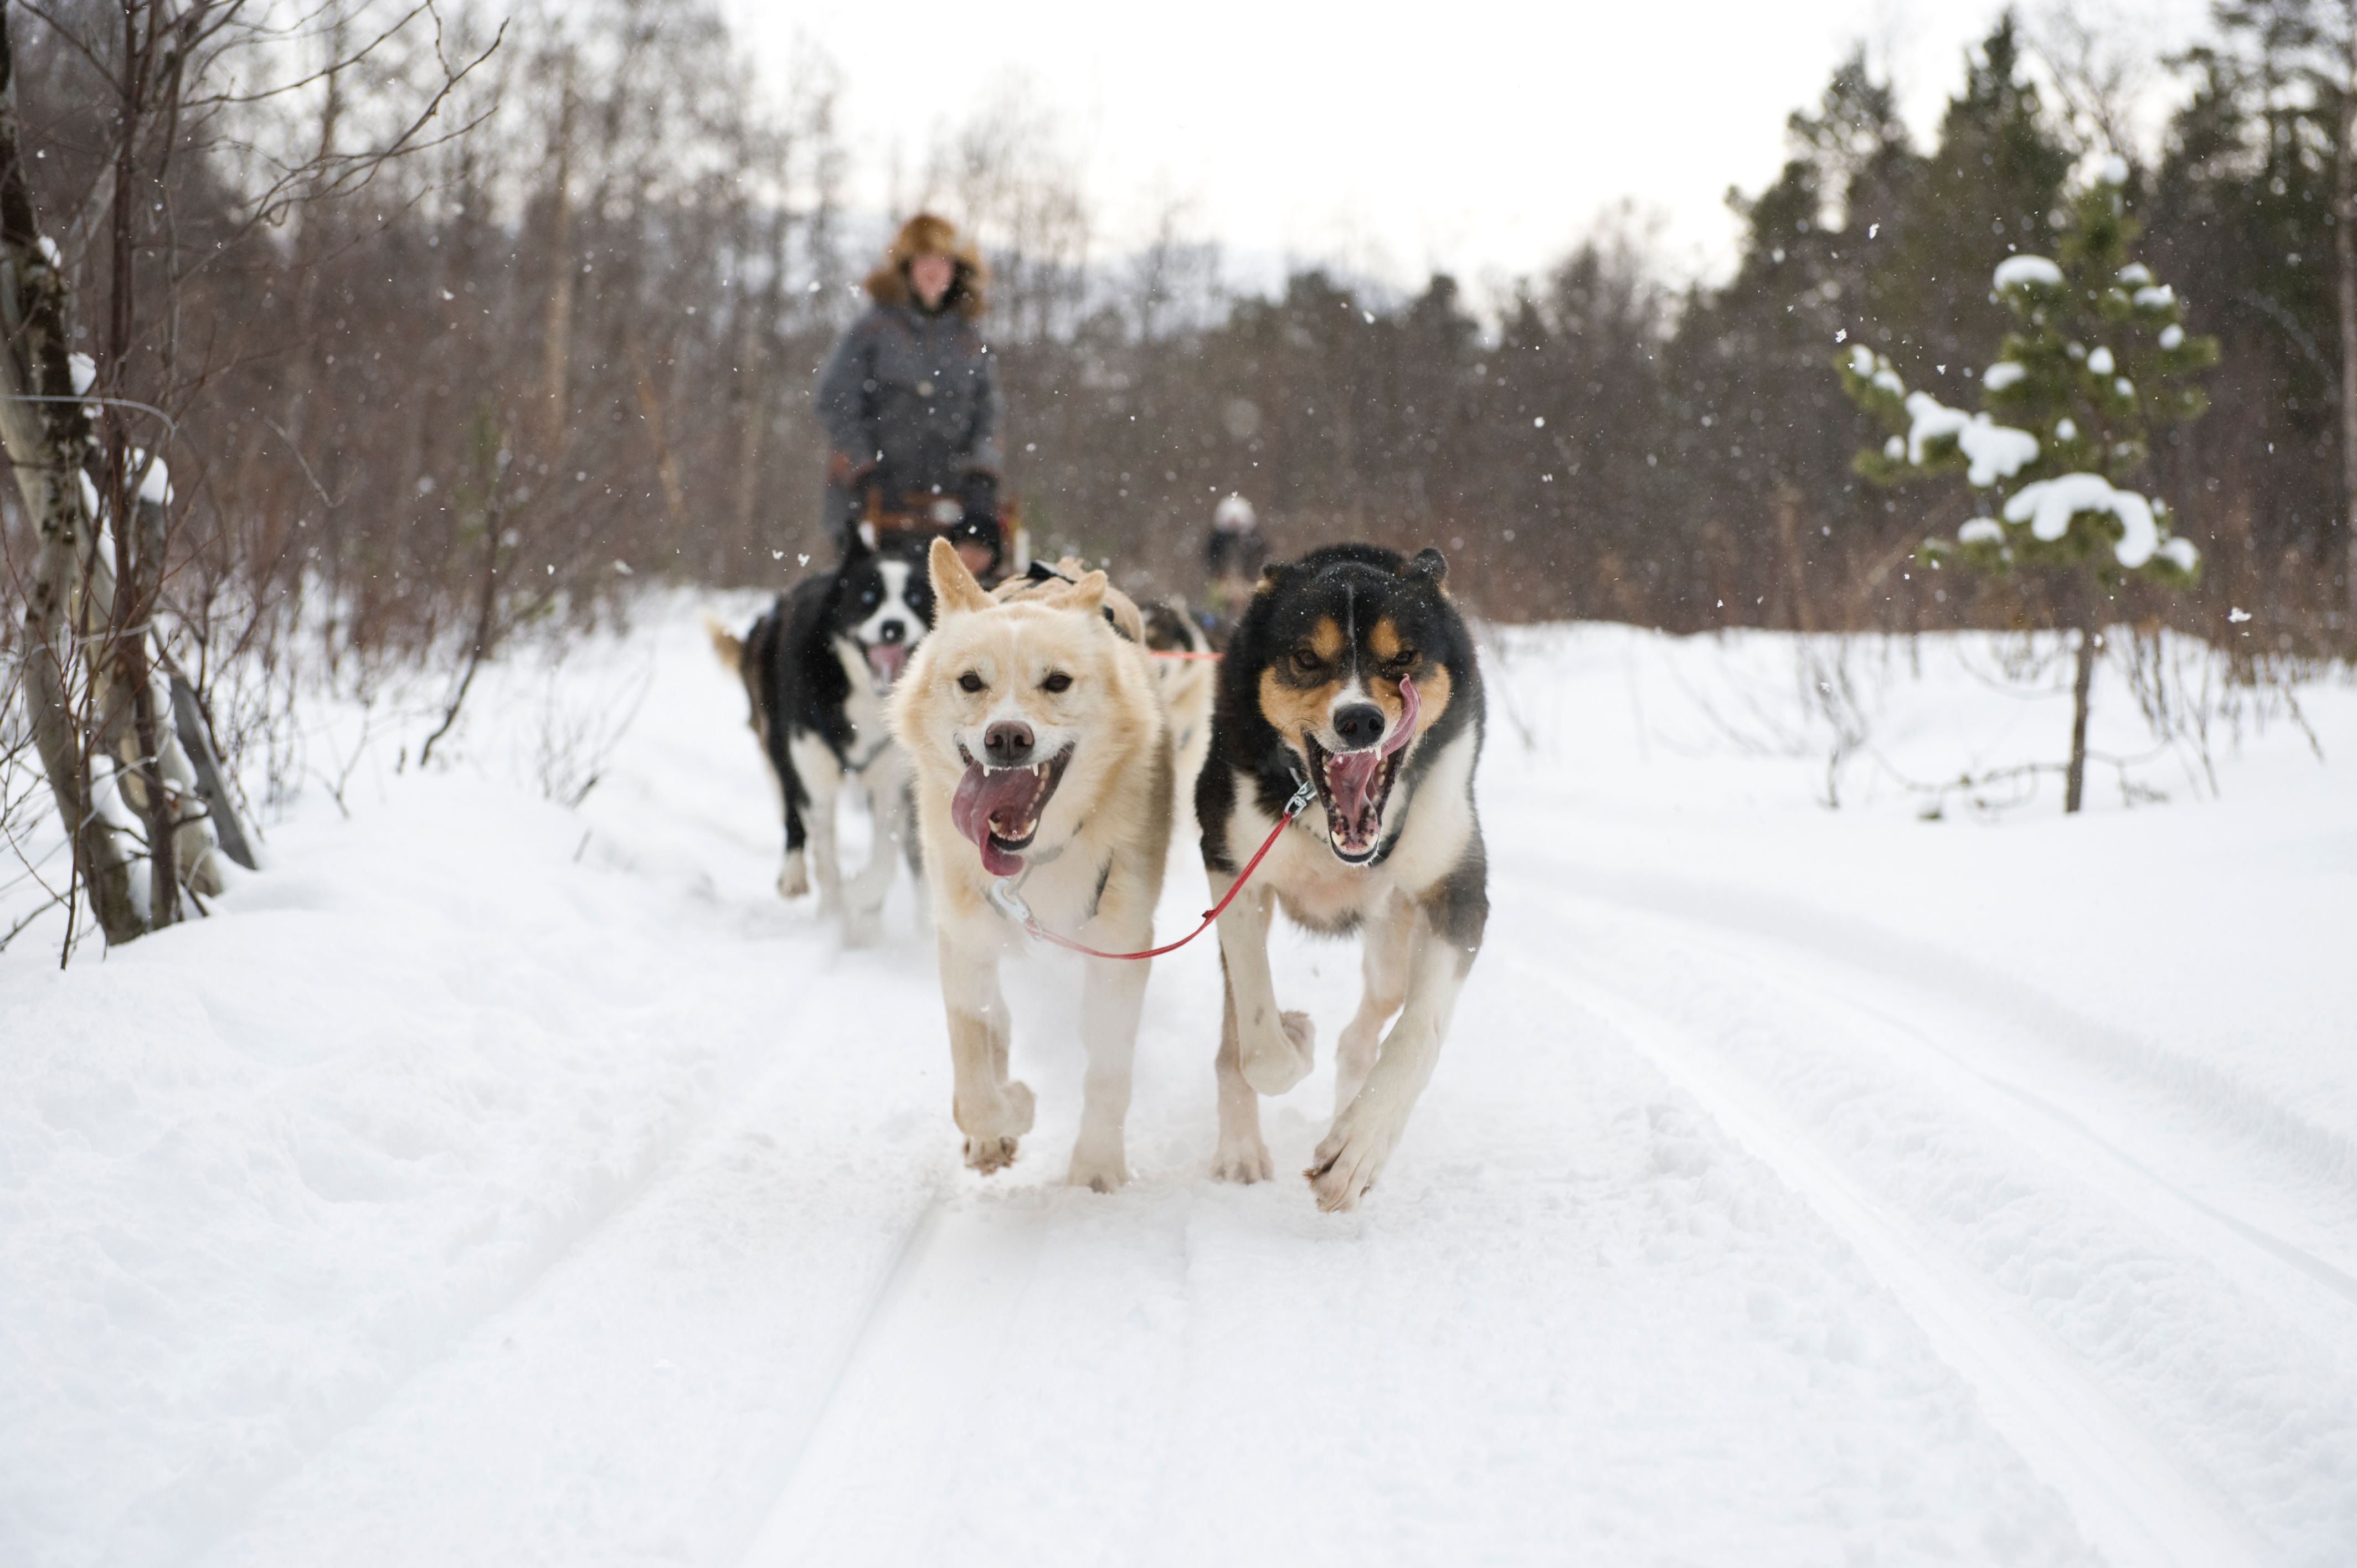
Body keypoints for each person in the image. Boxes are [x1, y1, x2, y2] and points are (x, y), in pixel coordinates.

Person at [816, 214, 1003, 578]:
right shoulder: (872, 331)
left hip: (950, 506)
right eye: (925, 260)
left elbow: (990, 417)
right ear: (907, 268)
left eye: (943, 261)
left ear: (956, 271)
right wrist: (865, 471)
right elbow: (836, 401)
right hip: (874, 504)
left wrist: (982, 481)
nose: (934, 270)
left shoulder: (971, 342)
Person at [1202, 492, 1267, 625]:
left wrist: (1252, 575)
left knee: (1258, 600)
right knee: (1214, 599)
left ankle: (1256, 624)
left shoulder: (1255, 539)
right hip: (1224, 580)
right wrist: (1219, 574)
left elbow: (1261, 557)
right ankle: (1210, 625)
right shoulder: (1218, 539)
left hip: (1248, 579)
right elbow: (1210, 558)